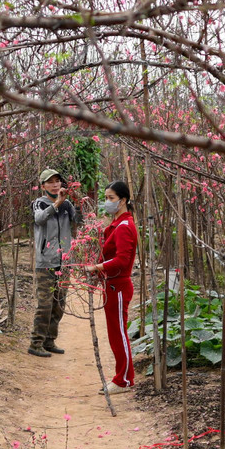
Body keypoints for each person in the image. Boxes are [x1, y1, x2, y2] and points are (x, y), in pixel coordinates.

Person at [83, 181, 138, 393]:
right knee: (115, 333)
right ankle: (123, 378)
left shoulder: (124, 227)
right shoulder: (116, 224)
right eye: (105, 198)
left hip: (119, 286)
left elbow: (123, 260)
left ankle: (123, 380)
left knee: (120, 333)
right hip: (111, 285)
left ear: (123, 201)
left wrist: (97, 267)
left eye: (111, 198)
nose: (107, 202)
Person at [30, 168, 82, 357]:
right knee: (44, 304)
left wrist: (76, 202)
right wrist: (56, 204)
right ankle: (36, 343)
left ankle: (50, 341)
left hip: (64, 261)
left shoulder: (67, 204)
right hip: (46, 262)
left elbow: (79, 221)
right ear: (43, 186)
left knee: (59, 304)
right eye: (50, 182)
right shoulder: (39, 204)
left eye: (57, 181)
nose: (55, 184)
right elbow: (40, 219)